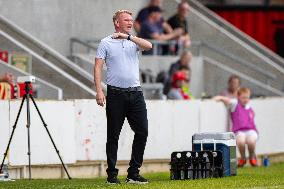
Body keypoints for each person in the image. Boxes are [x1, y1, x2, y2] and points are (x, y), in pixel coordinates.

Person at [94, 10, 152, 184]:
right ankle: (112, 176)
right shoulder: (105, 42)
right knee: (113, 136)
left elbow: (149, 46)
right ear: (116, 23)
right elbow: (97, 67)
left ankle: (133, 173)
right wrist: (99, 90)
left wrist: (128, 37)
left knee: (142, 131)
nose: (130, 22)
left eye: (131, 20)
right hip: (116, 94)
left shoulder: (133, 41)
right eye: (126, 20)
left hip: (136, 93)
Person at [214, 87, 258, 167]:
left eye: (247, 97)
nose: (245, 100)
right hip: (239, 131)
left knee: (251, 141)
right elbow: (227, 100)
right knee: (241, 141)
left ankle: (252, 157)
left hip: (250, 130)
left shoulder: (249, 106)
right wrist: (220, 98)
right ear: (238, 97)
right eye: (243, 98)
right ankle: (243, 158)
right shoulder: (235, 104)